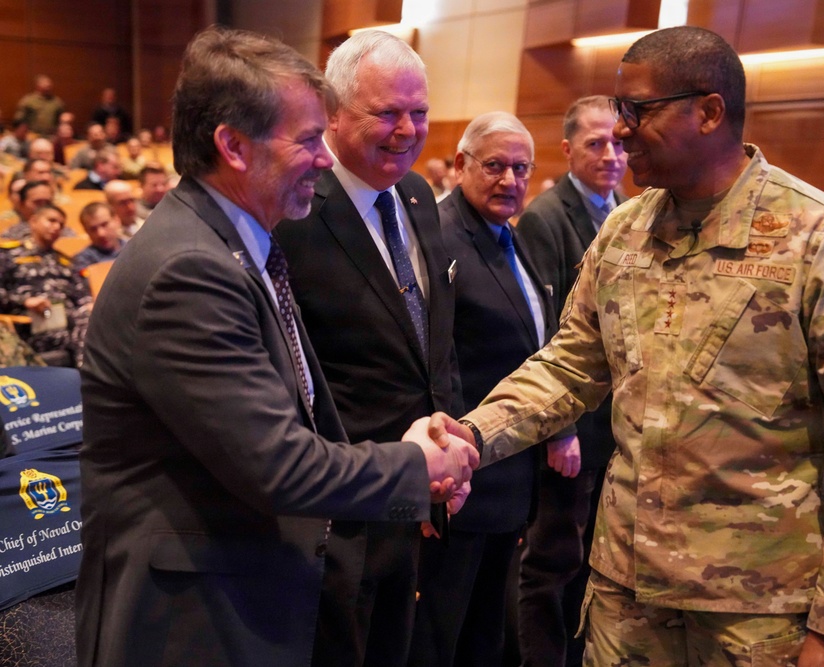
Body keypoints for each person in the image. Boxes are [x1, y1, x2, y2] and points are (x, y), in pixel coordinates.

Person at [431, 26, 824, 666]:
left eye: (637, 111)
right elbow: (570, 367)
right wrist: (472, 436)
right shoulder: (626, 232)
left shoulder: (819, 242)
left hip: (757, 613)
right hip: (625, 599)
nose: (622, 129)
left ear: (710, 111)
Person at [75, 26, 477, 667]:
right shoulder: (189, 268)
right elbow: (278, 465)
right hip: (191, 619)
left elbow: (308, 414)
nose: (325, 161)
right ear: (233, 147)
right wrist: (413, 466)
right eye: (309, 139)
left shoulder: (237, 242)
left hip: (250, 589)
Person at [272, 29, 462, 667]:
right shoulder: (293, 206)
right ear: (333, 111)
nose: (408, 130)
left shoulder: (414, 195)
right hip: (336, 509)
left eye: (420, 112)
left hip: (414, 494)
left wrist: (445, 449)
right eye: (387, 113)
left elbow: (435, 340)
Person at [409, 112, 566, 667]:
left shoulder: (509, 237)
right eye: (495, 166)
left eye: (521, 169)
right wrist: (437, 472)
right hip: (461, 478)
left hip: (508, 477)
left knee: (484, 634)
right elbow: (436, 360)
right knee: (439, 636)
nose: (510, 181)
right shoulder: (442, 238)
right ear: (460, 165)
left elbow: (540, 342)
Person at [513, 94, 627, 667]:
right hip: (572, 428)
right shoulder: (546, 217)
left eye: (619, 142)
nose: (612, 155)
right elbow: (545, 331)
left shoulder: (628, 210)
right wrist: (559, 428)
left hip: (617, 428)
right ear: (567, 150)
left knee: (594, 562)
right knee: (552, 562)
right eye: (596, 143)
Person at [0, 204, 90, 367]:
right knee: (86, 328)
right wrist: (24, 302)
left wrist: (89, 306)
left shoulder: (66, 262)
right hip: (32, 326)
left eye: (61, 225)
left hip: (72, 323)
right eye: (51, 220)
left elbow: (83, 297)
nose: (56, 227)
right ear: (33, 221)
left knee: (91, 320)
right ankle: (90, 382)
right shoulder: (8, 254)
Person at [72, 201, 126, 269]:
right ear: (86, 231)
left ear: (117, 220)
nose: (101, 234)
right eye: (93, 229)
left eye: (104, 224)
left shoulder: (134, 248)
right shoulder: (82, 261)